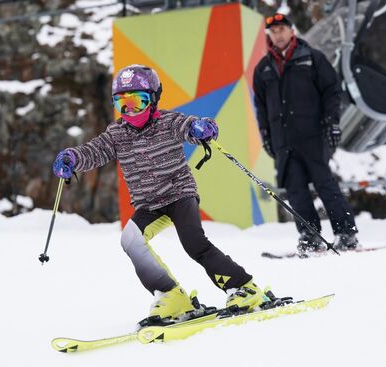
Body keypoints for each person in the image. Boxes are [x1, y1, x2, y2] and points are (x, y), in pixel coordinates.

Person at [53, 64, 269, 324]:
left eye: (138, 102)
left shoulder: (168, 122)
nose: (130, 110)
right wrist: (72, 158)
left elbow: (189, 126)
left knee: (194, 243)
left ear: (153, 99)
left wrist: (202, 127)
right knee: (130, 240)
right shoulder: (117, 134)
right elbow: (94, 151)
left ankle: (244, 288)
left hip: (179, 194)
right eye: (122, 104)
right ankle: (172, 295)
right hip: (149, 205)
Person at [253, 14, 360, 253]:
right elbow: (260, 106)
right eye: (273, 31)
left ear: (292, 31)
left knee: (325, 185)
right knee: (296, 191)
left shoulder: (312, 58)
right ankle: (310, 237)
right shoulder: (263, 68)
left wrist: (332, 123)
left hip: (313, 136)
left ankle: (346, 234)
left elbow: (332, 92)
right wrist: (266, 136)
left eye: (282, 30)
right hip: (283, 142)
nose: (278, 35)